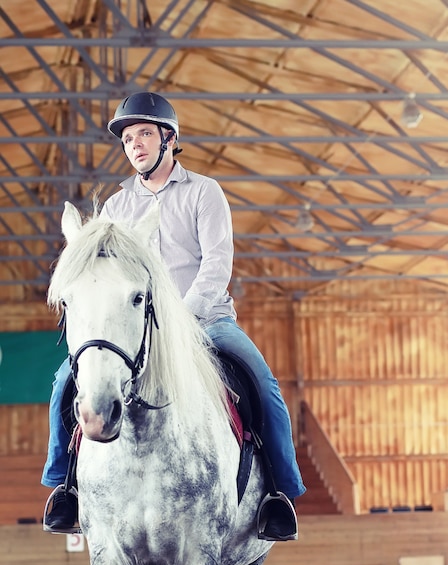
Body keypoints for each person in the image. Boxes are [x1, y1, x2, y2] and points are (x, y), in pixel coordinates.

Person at [42, 91, 305, 541]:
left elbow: (216, 265)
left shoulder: (204, 192)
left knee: (263, 382)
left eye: (144, 133)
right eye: (127, 139)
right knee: (66, 381)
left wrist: (180, 321)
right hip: (135, 330)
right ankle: (64, 486)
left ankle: (279, 493)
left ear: (169, 139)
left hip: (205, 321)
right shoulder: (117, 208)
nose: (135, 145)